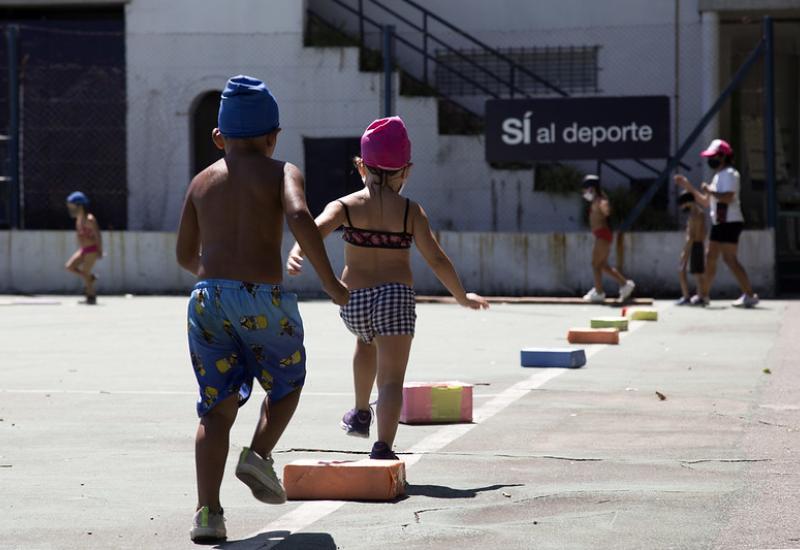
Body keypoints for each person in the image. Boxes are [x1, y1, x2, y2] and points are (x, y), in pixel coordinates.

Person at [176, 75, 349, 543]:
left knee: (215, 409)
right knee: (288, 382)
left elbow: (184, 255)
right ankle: (257, 454)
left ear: (219, 138)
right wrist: (330, 282)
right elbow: (299, 216)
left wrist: (216, 278)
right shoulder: (282, 172)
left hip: (207, 300)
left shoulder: (200, 181)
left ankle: (208, 513)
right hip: (262, 298)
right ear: (273, 136)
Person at [286, 116, 489, 461]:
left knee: (366, 342)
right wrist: (461, 296)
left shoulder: (345, 206)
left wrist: (297, 252)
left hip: (354, 303)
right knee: (392, 380)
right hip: (395, 298)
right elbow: (436, 259)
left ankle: (360, 411)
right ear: (406, 171)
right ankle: (383, 447)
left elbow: (312, 229)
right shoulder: (411, 212)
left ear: (361, 166)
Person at [674, 138, 758, 308]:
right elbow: (706, 202)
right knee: (711, 257)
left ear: (723, 156)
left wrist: (710, 191)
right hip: (720, 222)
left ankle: (749, 295)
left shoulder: (731, 174)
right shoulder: (718, 176)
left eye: (714, 156)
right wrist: (688, 186)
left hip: (730, 222)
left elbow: (728, 197)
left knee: (729, 259)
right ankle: (703, 295)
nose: (710, 159)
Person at [580, 175, 636, 303]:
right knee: (603, 265)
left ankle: (599, 292)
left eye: (585, 189)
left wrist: (604, 207)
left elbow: (606, 210)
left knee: (595, 264)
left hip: (603, 235)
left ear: (592, 189)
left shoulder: (600, 200)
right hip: (602, 235)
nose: (584, 193)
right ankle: (625, 284)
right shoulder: (596, 200)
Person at [64, 191, 102, 305]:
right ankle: (90, 277)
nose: (70, 209)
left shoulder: (89, 219)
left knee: (85, 271)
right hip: (83, 250)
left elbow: (98, 236)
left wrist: (99, 250)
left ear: (80, 206)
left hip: (92, 249)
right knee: (70, 267)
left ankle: (91, 296)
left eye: (72, 206)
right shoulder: (78, 219)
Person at [676, 192, 707, 305]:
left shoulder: (695, 215)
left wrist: (685, 251)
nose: (682, 207)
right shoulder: (700, 213)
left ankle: (695, 297)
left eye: (683, 204)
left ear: (687, 202)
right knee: (696, 272)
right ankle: (698, 296)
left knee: (691, 271)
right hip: (698, 244)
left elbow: (692, 235)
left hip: (694, 245)